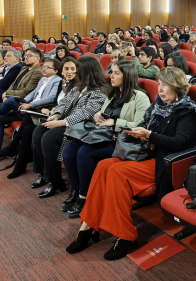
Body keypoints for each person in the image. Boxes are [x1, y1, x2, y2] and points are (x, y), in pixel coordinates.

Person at [65, 67, 196, 258]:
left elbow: (180, 142)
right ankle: (88, 225)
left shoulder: (186, 110)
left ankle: (125, 235)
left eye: (166, 85)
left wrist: (149, 135)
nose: (160, 89)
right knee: (105, 165)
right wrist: (140, 133)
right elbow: (146, 128)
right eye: (160, 84)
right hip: (146, 155)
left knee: (116, 172)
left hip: (164, 163)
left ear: (177, 87)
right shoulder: (158, 105)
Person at [62, 61, 150, 218]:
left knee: (84, 153)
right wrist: (99, 115)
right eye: (112, 72)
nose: (111, 76)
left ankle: (85, 197)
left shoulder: (140, 97)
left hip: (122, 141)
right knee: (69, 150)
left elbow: (140, 125)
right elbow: (104, 115)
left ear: (127, 76)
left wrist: (115, 123)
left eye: (116, 73)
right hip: (104, 135)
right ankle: (75, 190)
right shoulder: (114, 92)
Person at [31, 56, 108, 198]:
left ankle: (55, 181)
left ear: (88, 71)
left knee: (49, 138)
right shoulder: (80, 85)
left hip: (83, 126)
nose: (76, 73)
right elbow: (65, 102)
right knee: (38, 131)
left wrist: (60, 122)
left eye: (79, 70)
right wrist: (57, 114)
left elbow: (86, 113)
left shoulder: (100, 90)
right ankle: (46, 173)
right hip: (68, 122)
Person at [0, 57, 78, 180]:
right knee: (26, 129)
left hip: (57, 118)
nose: (69, 72)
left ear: (56, 71)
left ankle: (14, 149)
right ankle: (24, 166)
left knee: (24, 114)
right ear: (62, 70)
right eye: (67, 69)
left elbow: (55, 100)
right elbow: (54, 101)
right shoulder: (61, 83)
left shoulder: (69, 84)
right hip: (49, 113)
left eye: (73, 69)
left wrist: (44, 108)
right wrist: (28, 102)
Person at [0, 58, 63, 165]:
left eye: (48, 67)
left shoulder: (57, 81)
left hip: (37, 111)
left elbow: (51, 99)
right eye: (43, 66)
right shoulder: (42, 79)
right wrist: (24, 102)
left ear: (55, 71)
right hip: (27, 108)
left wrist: (30, 105)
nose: (44, 68)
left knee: (10, 100)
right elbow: (33, 93)